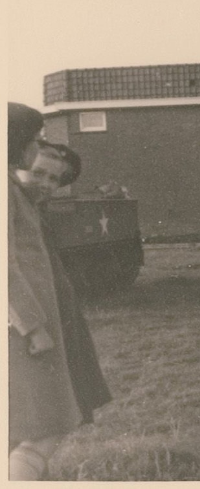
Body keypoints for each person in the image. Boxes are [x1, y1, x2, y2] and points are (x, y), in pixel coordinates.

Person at [8, 102, 111, 480]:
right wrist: (33, 325)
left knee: (26, 428)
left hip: (36, 325)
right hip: (26, 331)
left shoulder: (19, 197)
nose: (36, 146)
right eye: (34, 141)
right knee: (44, 427)